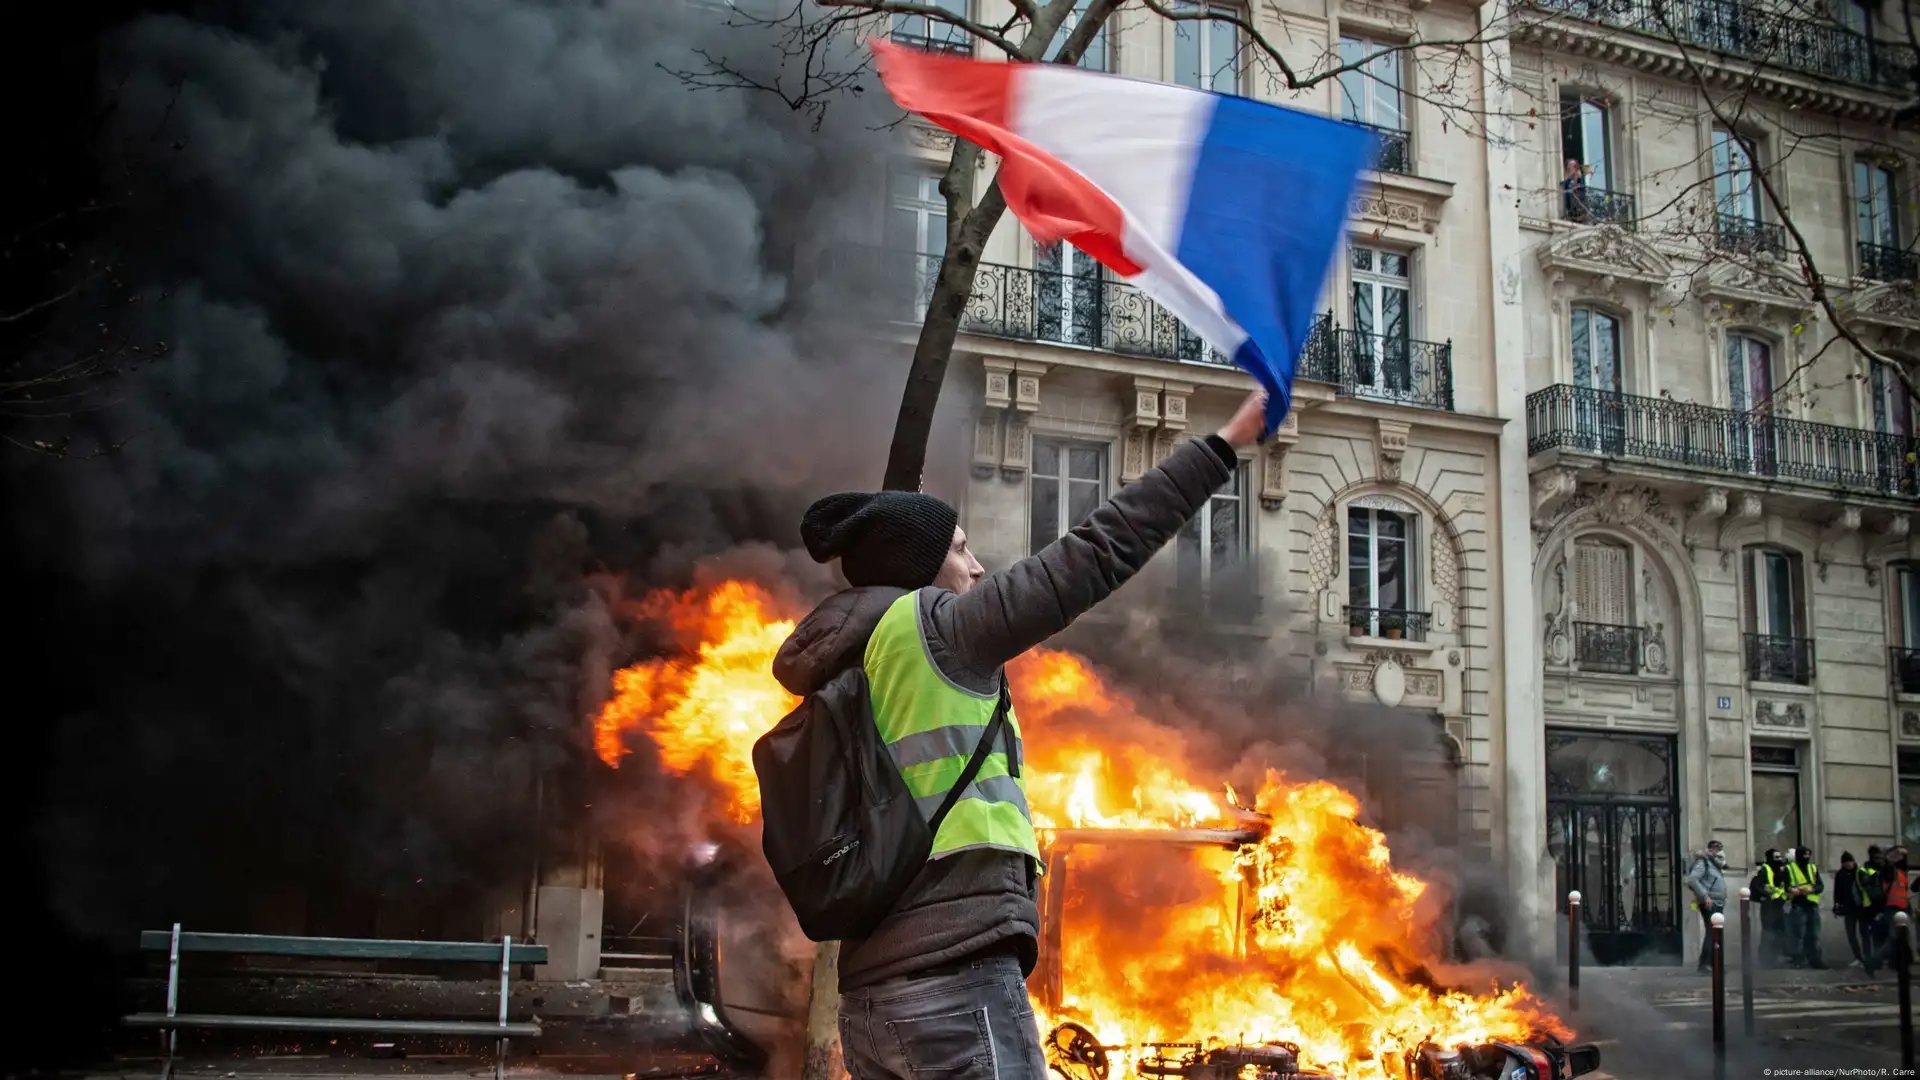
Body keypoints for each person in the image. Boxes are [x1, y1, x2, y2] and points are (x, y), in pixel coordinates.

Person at [773, 389, 1269, 1080]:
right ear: (920, 572)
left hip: (874, 1004)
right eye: (960, 549)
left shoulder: (850, 660)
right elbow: (1097, 552)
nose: (975, 568)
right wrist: (1222, 446)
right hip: (956, 987)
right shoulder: (941, 630)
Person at [1685, 840, 1728, 974]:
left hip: (1717, 902)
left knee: (1716, 934)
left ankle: (1715, 964)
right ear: (1709, 849)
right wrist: (1705, 896)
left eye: (1719, 848)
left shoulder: (1715, 865)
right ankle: (1705, 965)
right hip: (1710, 902)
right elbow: (1692, 879)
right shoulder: (1703, 863)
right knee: (1712, 933)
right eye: (1715, 848)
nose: (1718, 851)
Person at [1834, 851, 1880, 973]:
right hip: (1849, 909)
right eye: (1846, 863)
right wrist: (1837, 904)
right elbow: (1837, 891)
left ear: (1853, 862)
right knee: (1851, 935)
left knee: (1864, 933)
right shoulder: (1840, 874)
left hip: (1862, 908)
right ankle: (1858, 957)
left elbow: (1874, 878)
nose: (1848, 865)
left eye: (1850, 862)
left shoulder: (1861, 871)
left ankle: (1867, 957)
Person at [1784, 846, 1824, 968]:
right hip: (1797, 904)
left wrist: (1812, 889)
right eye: (1804, 855)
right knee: (1798, 934)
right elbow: (1783, 885)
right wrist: (1792, 890)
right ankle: (1798, 960)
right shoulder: (1789, 868)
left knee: (1814, 934)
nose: (1807, 857)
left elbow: (1820, 886)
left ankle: (1815, 960)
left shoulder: (1812, 867)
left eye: (1808, 855)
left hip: (1812, 904)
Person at [1751, 848, 1789, 967]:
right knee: (1768, 933)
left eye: (1780, 857)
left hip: (1779, 906)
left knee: (1780, 932)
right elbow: (1755, 886)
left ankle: (1776, 959)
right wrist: (1766, 896)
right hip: (1768, 907)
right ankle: (1765, 960)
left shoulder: (1781, 871)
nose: (1780, 859)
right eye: (1776, 857)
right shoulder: (1764, 870)